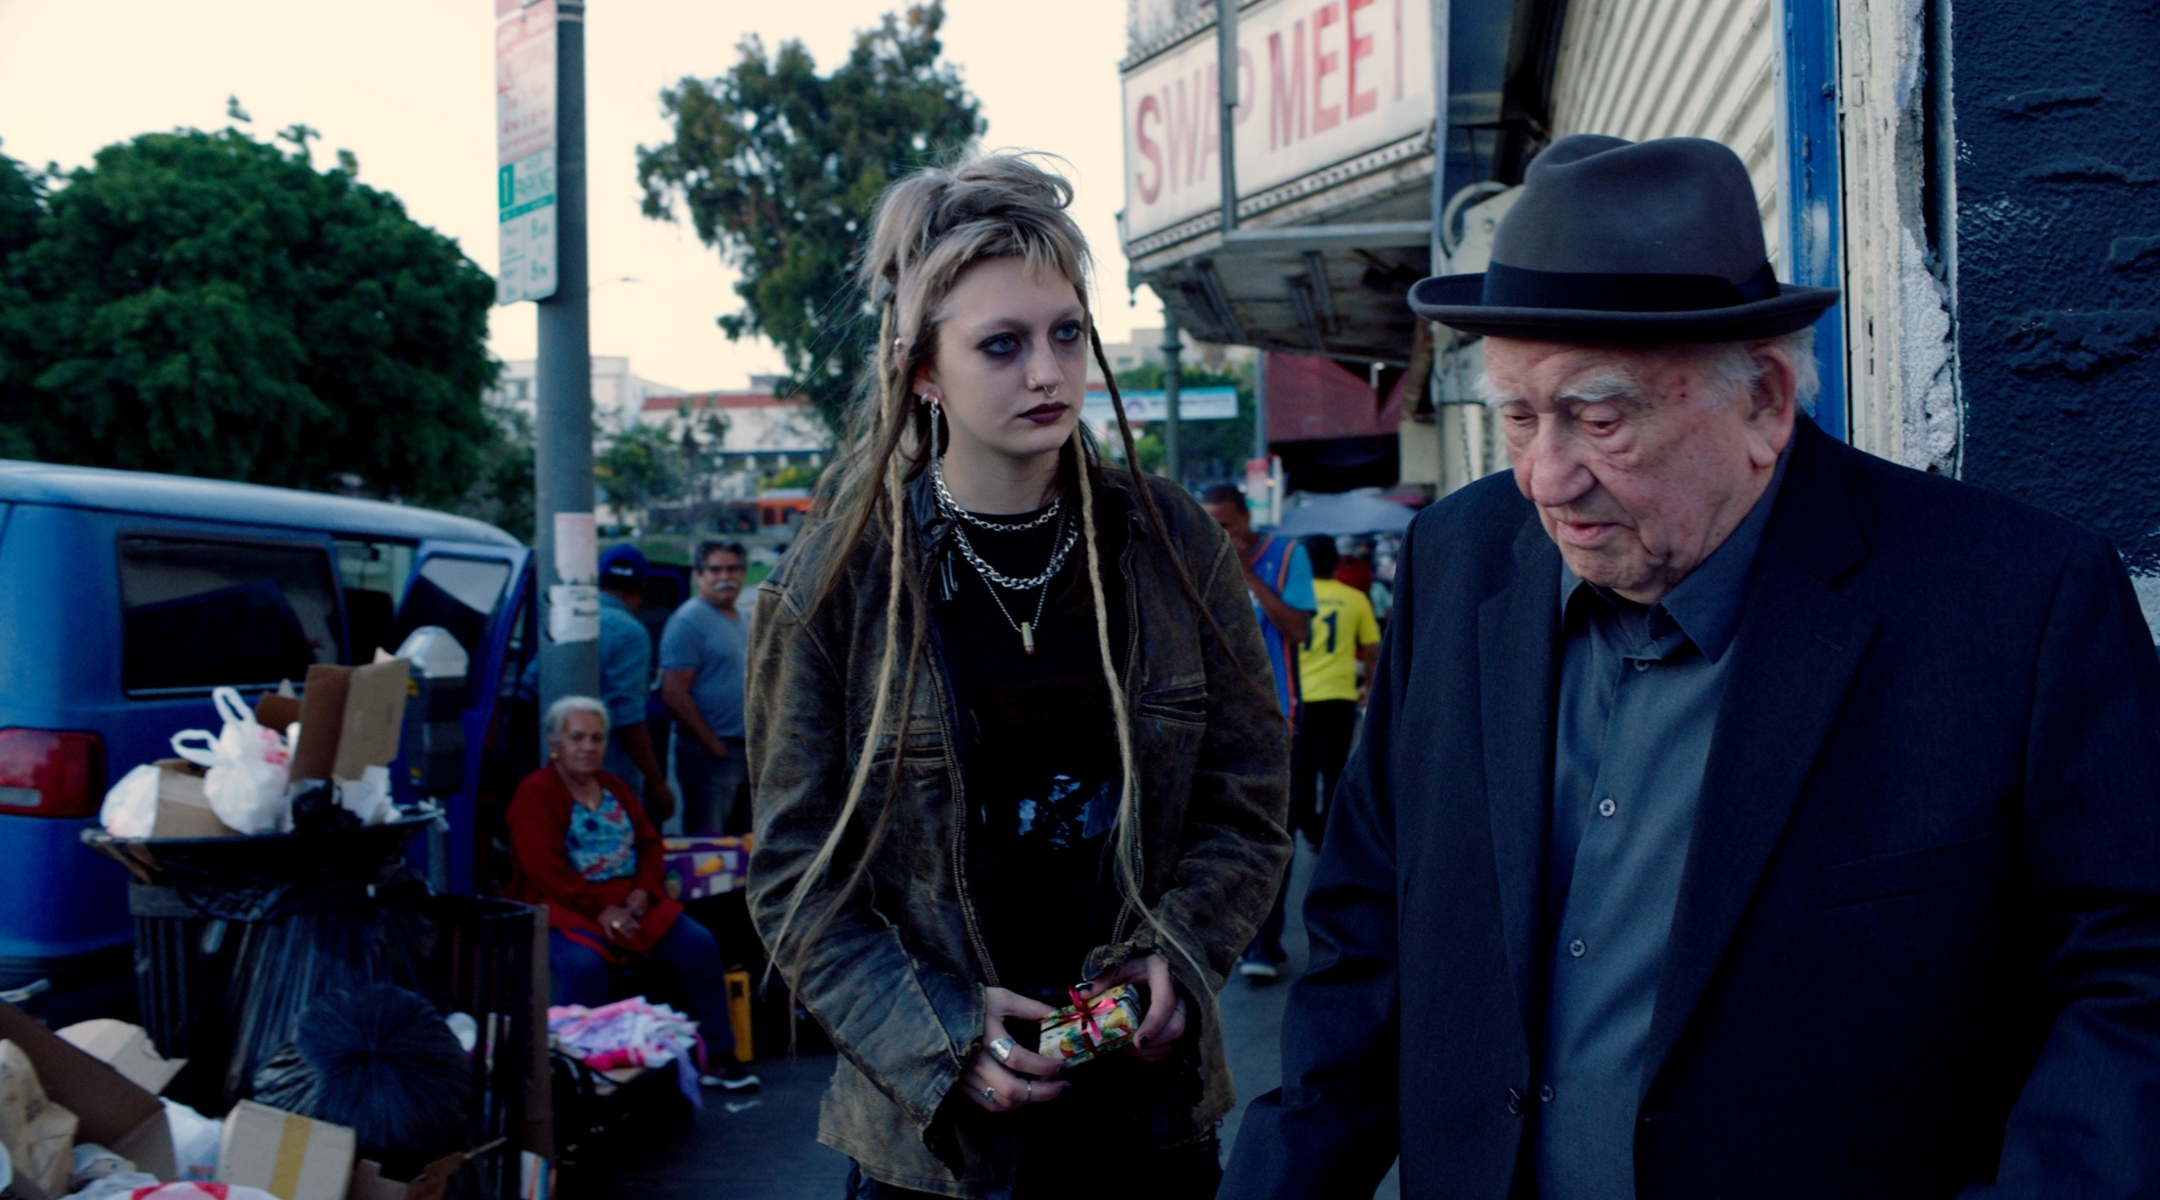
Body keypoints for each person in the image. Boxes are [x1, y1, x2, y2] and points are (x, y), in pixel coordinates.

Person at [1222, 134, 2160, 1199]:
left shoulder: (2014, 604)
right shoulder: (1459, 559)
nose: (1545, 478)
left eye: (1598, 418)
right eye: (1519, 417)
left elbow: (2131, 988)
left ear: (1762, 399)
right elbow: (1365, 940)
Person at [744, 155, 1289, 1200]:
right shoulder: (833, 586)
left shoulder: (1168, 540)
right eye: (1002, 345)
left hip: (1146, 1124)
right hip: (935, 1147)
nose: (1047, 372)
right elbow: (796, 880)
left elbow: (1250, 794)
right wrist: (943, 1037)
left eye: (1066, 334)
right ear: (922, 371)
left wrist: (1181, 950)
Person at [504, 696, 757, 1091]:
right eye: (577, 737)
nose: (588, 747)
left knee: (700, 945)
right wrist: (602, 908)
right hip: (569, 904)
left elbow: (650, 845)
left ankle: (718, 1057)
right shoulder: (534, 794)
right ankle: (577, 1075)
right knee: (585, 967)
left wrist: (643, 890)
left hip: (633, 902)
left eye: (596, 738)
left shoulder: (615, 787)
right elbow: (544, 870)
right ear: (555, 742)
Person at [1200, 483, 1314, 980]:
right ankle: (1227, 935)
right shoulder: (1200, 557)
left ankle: (1264, 943)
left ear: (1246, 518)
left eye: (1225, 525)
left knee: (1270, 829)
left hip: (1275, 713)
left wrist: (1246, 572)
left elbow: (1298, 629)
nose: (1218, 534)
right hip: (1212, 714)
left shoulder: (1287, 556)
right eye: (1211, 526)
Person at [1289, 535, 1380, 849]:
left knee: (1301, 767)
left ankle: (1305, 824)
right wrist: (1368, 684)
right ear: (1336, 562)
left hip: (1300, 697)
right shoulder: (1354, 598)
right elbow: (1371, 649)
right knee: (1334, 768)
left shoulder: (1292, 597)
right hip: (1339, 695)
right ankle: (1327, 833)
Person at [659, 539, 750, 836]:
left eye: (733, 568)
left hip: (746, 751)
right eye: (716, 570)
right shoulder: (688, 621)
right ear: (699, 575)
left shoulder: (745, 619)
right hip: (711, 756)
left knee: (744, 846)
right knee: (708, 848)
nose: (726, 576)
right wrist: (711, 744)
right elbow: (673, 692)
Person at [595, 545, 673, 821]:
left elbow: (528, 693)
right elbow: (627, 717)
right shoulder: (631, 634)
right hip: (613, 776)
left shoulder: (567, 619)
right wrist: (657, 782)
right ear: (641, 587)